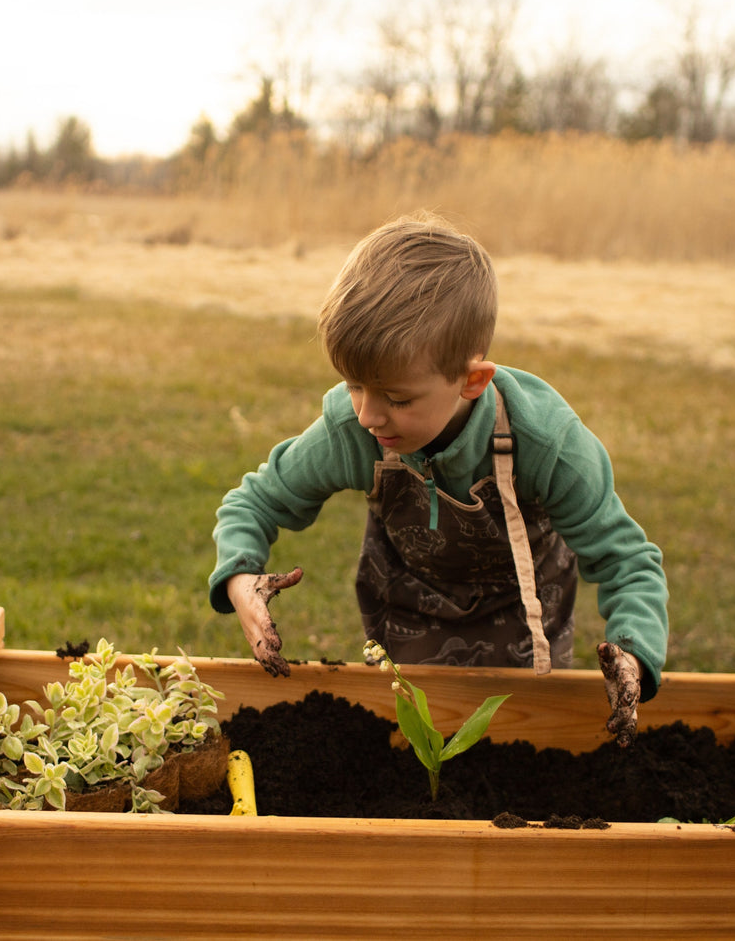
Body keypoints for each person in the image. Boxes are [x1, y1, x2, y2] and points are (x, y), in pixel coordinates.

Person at [208, 214, 668, 745]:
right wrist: (242, 578)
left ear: (472, 381)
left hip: (523, 621)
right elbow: (254, 503)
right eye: (354, 386)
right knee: (417, 744)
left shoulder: (547, 444)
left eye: (397, 398)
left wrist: (633, 650)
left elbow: (626, 559)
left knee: (518, 743)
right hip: (408, 616)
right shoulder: (353, 429)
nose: (367, 416)